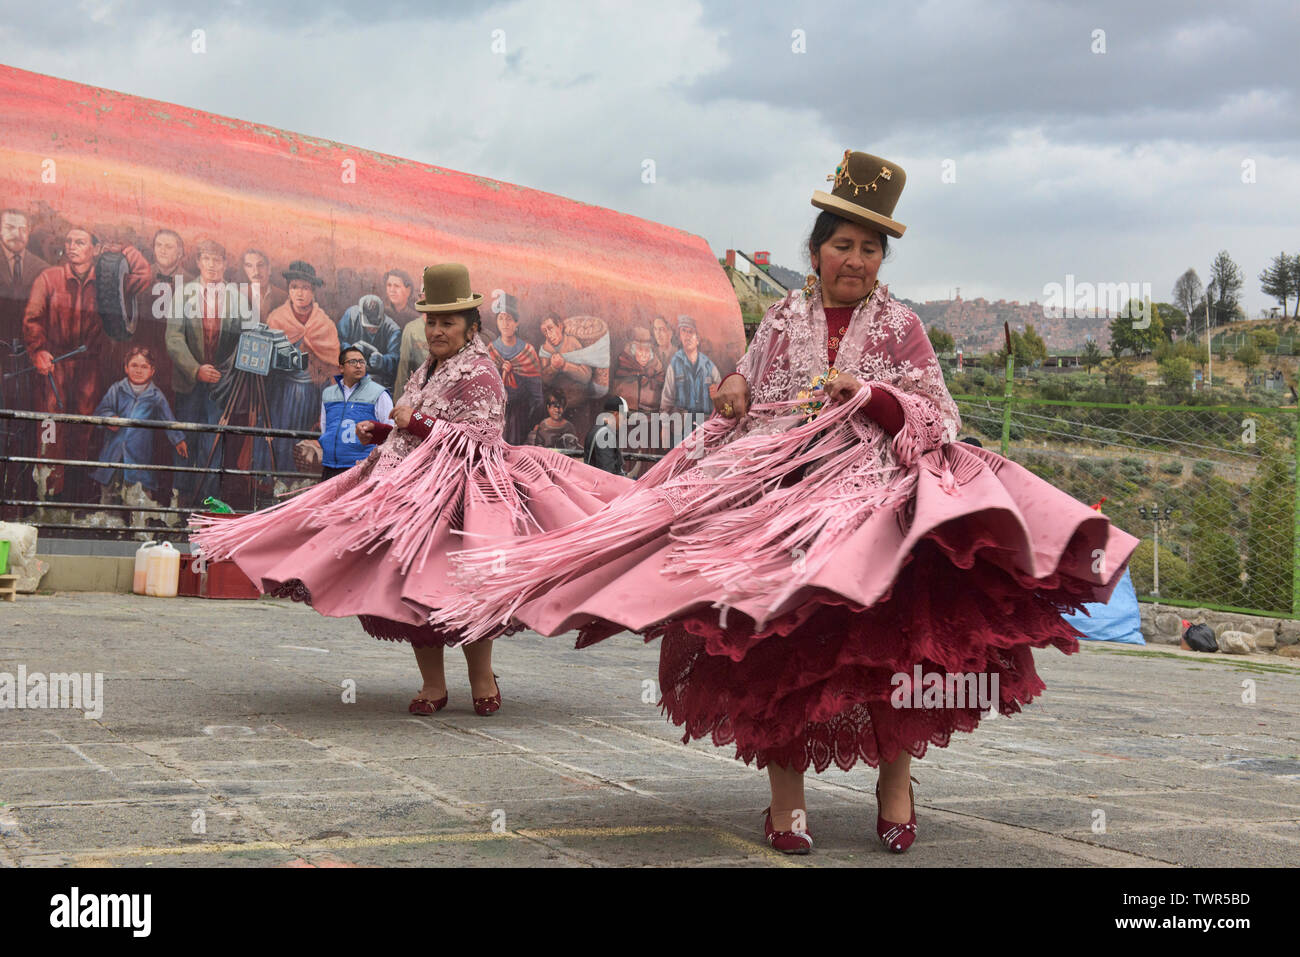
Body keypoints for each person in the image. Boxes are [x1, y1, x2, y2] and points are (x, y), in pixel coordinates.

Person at [439, 150, 1139, 857]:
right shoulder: (779, 319)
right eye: (843, 244)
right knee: (775, 640)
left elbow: (939, 419)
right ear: (816, 250)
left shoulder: (903, 328)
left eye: (870, 248)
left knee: (890, 646)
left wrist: (873, 396)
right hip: (781, 498)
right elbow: (746, 386)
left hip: (873, 500)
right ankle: (786, 802)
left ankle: (895, 787)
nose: (856, 260)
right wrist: (736, 390)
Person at [191, 263, 630, 717]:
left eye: (448, 322)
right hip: (411, 493)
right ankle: (433, 684)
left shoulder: (481, 372)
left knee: (466, 588)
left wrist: (414, 422)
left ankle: (482, 678)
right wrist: (381, 432)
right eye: (433, 321)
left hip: (465, 501)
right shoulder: (426, 371)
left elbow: (480, 440)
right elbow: (416, 432)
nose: (437, 330)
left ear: (470, 326)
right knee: (416, 587)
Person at [23, 227, 152, 500]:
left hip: (90, 366)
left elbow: (143, 276)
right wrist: (39, 351)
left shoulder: (109, 278)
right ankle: (50, 493)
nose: (72, 247)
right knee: (51, 427)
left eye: (80, 242)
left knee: (87, 427)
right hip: (54, 366)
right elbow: (33, 318)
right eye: (69, 241)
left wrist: (123, 249)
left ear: (94, 248)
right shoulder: (49, 278)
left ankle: (80, 493)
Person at [165, 239, 253, 508]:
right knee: (185, 441)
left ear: (225, 264)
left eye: (218, 260)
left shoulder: (237, 298)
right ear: (199, 262)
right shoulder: (183, 294)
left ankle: (208, 503)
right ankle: (180, 502)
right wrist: (196, 370)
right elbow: (173, 338)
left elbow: (247, 338)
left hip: (222, 385)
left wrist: (225, 373)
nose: (212, 265)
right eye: (207, 259)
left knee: (213, 444)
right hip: (189, 382)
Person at [90, 346, 187, 522]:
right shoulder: (117, 390)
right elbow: (101, 411)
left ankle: (137, 530)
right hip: (114, 455)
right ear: (126, 367)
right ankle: (110, 529)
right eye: (134, 365)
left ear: (152, 371)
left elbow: (168, 420)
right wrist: (109, 418)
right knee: (110, 495)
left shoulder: (155, 396)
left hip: (139, 457)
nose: (138, 370)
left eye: (144, 367)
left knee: (139, 495)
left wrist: (178, 439)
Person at [264, 260, 340, 485]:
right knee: (281, 441)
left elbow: (333, 369)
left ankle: (302, 487)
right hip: (282, 395)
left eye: (305, 288)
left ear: (313, 291)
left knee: (307, 443)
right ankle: (278, 486)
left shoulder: (325, 325)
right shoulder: (276, 320)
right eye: (295, 287)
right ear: (288, 290)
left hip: (313, 396)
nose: (300, 293)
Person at [316, 345, 394, 480]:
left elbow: (390, 431)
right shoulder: (328, 393)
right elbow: (325, 427)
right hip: (330, 467)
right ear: (341, 368)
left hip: (361, 468)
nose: (358, 365)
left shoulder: (379, 393)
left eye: (362, 362)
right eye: (353, 362)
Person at [487, 294, 543, 445]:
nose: (505, 324)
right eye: (501, 319)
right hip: (496, 415)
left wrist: (530, 422)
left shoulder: (527, 351)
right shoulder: (491, 350)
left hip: (520, 416)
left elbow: (537, 396)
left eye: (509, 319)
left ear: (517, 322)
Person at [336, 293, 401, 391]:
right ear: (361, 314)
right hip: (350, 378)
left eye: (375, 325)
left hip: (380, 382)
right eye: (369, 325)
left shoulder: (393, 330)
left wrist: (383, 361)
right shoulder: (351, 316)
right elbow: (337, 340)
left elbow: (397, 359)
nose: (372, 328)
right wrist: (349, 350)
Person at [583, 395, 626, 476]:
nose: (624, 421)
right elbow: (607, 471)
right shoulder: (605, 435)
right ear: (616, 414)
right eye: (623, 417)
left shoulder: (595, 429)